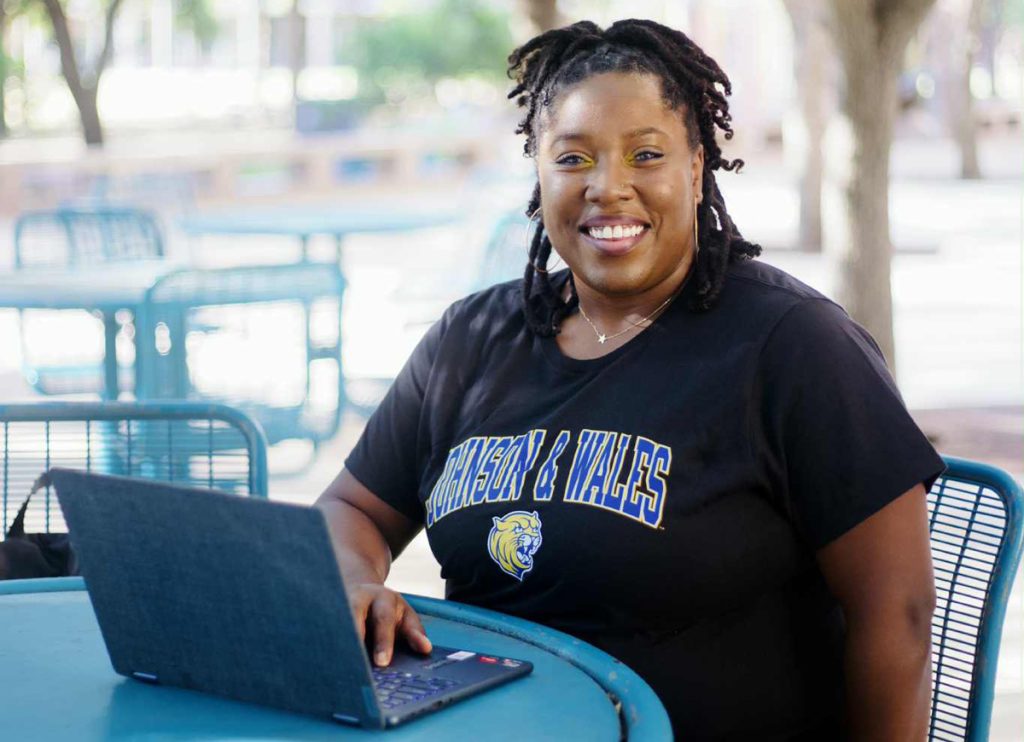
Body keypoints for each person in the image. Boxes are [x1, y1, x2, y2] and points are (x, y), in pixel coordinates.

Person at [316, 18, 944, 741]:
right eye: (573, 158)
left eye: (645, 154)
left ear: (696, 166)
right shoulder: (471, 340)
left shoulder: (792, 346)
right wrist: (358, 583)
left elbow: (898, 614)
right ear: (540, 172)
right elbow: (352, 510)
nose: (607, 188)